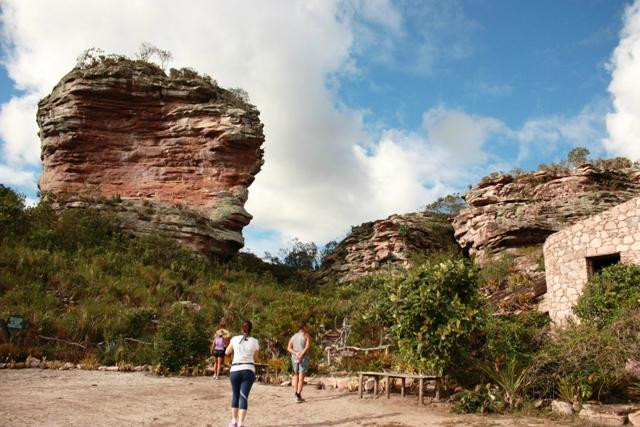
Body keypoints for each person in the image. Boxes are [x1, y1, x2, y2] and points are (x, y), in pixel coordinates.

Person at [226, 320, 259, 427]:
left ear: (241, 328)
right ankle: (241, 423)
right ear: (251, 329)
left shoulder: (235, 339)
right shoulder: (255, 341)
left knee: (235, 395)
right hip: (248, 370)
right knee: (243, 397)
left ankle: (234, 421)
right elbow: (256, 358)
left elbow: (227, 352)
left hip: (235, 369)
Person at [287, 321, 311, 403]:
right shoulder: (306, 335)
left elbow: (289, 348)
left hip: (294, 358)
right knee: (301, 377)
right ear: (304, 327)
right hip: (303, 358)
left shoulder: (293, 336)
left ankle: (295, 394)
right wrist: (301, 354)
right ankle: (298, 394)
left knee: (295, 375)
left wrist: (296, 353)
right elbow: (307, 347)